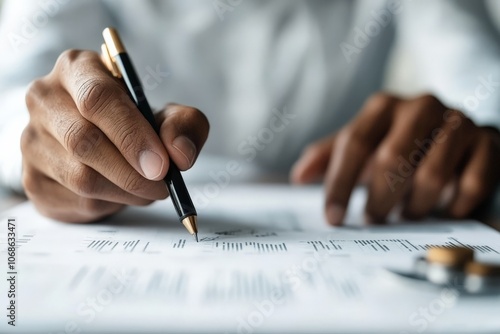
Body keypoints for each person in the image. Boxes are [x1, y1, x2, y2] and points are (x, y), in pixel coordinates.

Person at [0, 0, 499, 224]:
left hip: (333, 209)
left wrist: (478, 137)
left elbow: (481, 77)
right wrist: (47, 137)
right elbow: (14, 94)